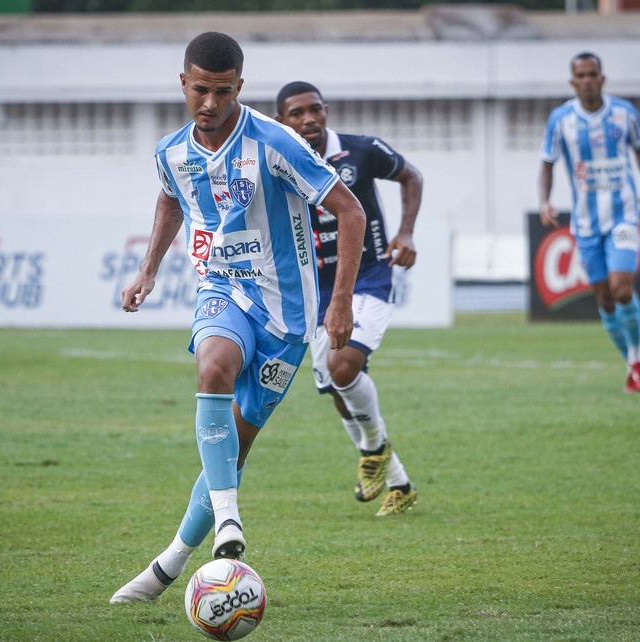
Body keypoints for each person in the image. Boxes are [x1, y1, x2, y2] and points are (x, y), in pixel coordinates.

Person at [109, 33, 366, 604]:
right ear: (183, 83)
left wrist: (340, 301)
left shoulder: (276, 143)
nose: (209, 103)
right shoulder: (170, 151)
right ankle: (229, 519)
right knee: (213, 367)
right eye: (199, 90)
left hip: (288, 320)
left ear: (239, 89)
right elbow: (171, 198)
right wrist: (148, 270)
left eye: (222, 92)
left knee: (234, 449)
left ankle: (168, 565)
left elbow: (350, 211)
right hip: (222, 290)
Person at [276, 81, 423, 517]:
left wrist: (407, 230)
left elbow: (411, 175)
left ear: (326, 111)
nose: (309, 120)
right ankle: (398, 480)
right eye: (297, 114)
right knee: (339, 391)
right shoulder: (278, 163)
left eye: (315, 110)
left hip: (370, 276)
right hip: (315, 289)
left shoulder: (360, 150)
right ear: (282, 121)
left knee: (344, 366)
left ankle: (374, 452)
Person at [538, 52, 640, 393]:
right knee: (604, 298)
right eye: (582, 75)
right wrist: (545, 200)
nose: (588, 80)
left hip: (623, 213)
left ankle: (639, 358)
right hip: (587, 222)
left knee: (622, 288)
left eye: (593, 74)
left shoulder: (624, 113)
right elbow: (546, 163)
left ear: (602, 78)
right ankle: (631, 363)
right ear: (573, 81)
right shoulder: (561, 119)